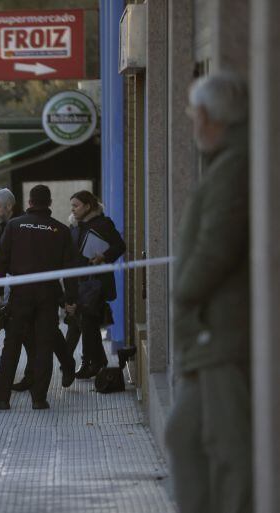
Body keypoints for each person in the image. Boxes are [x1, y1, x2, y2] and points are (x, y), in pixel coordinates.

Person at [164, 71, 251, 513]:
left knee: (228, 446)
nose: (191, 122)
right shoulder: (230, 161)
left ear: (208, 117)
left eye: (192, 114)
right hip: (210, 336)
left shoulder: (235, 165)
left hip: (221, 333)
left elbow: (218, 243)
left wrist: (185, 289)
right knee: (186, 437)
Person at [0, 185, 77, 411]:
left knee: (12, 346)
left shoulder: (14, 226)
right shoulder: (61, 230)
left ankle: (1, 398)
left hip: (21, 293)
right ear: (50, 202)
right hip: (47, 294)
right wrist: (70, 300)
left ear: (29, 203)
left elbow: (1, 261)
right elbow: (70, 269)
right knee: (44, 346)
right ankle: (39, 399)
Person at [65, 190, 126, 379]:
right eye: (72, 206)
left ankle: (91, 363)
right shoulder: (76, 226)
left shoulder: (103, 224)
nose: (73, 209)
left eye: (76, 205)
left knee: (89, 322)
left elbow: (119, 246)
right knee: (83, 323)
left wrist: (104, 256)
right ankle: (94, 361)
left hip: (96, 283)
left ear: (88, 206)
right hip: (80, 282)